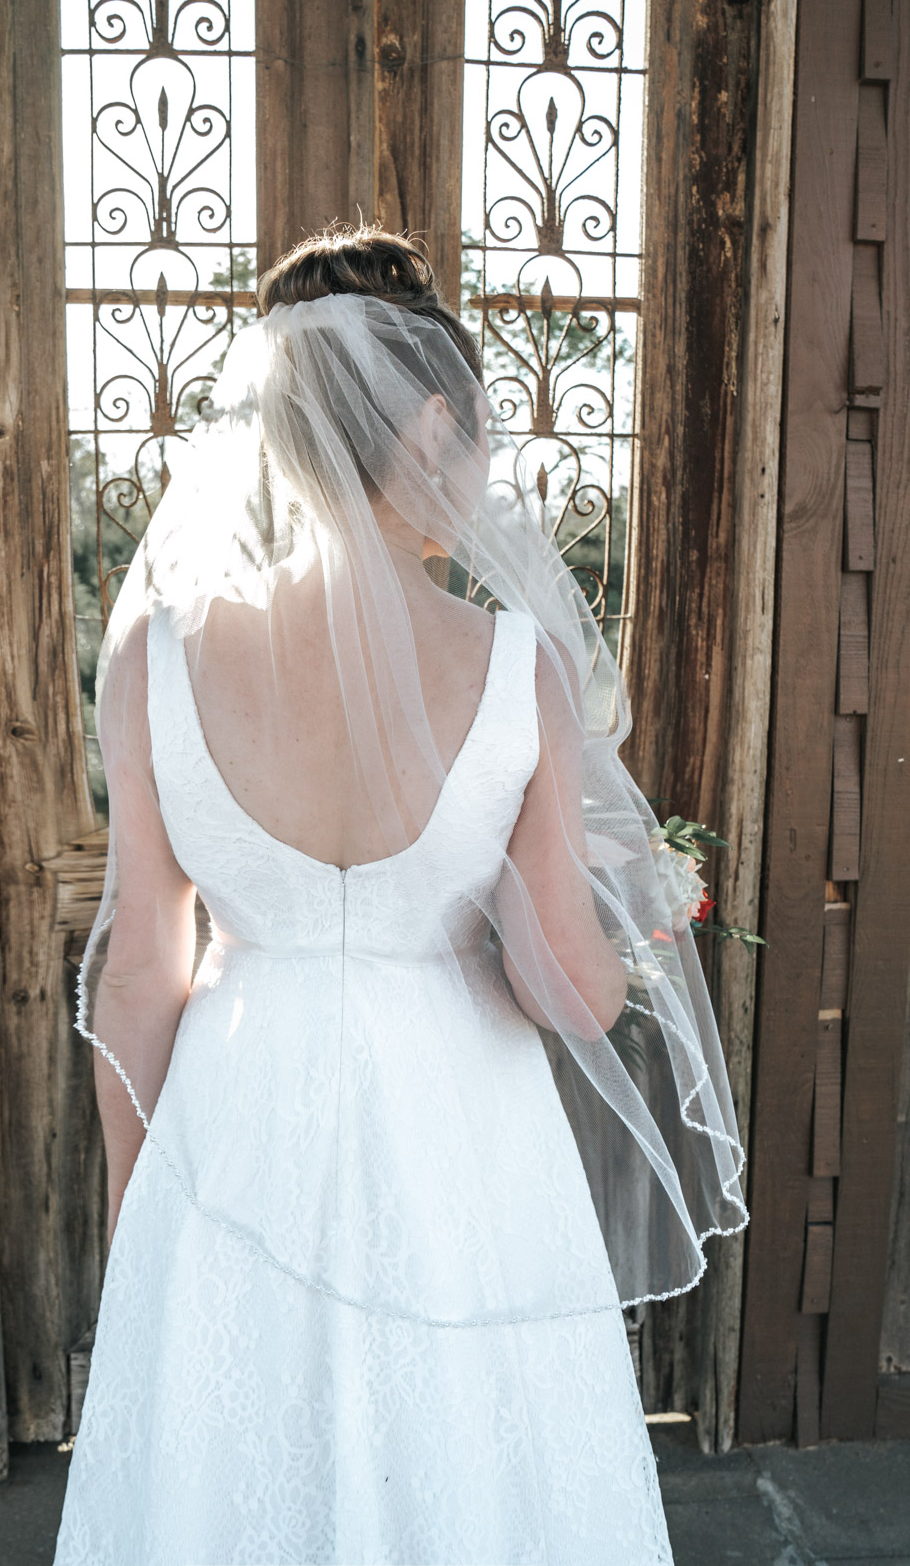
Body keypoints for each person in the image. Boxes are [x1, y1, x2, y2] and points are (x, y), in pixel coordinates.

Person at [53, 225, 746, 1566]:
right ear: (433, 422)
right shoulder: (516, 665)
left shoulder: (153, 655)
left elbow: (140, 968)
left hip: (236, 1120)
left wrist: (147, 1221)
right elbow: (569, 992)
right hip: (460, 1125)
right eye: (479, 443)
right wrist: (623, 906)